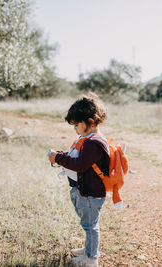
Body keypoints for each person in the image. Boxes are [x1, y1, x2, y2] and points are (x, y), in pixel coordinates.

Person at [48, 93, 109, 267]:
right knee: (88, 225)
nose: (74, 128)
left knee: (90, 226)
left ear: (89, 122)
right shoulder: (87, 140)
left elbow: (80, 164)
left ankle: (91, 259)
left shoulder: (94, 143)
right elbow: (76, 157)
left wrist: (58, 159)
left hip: (90, 193)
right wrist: (59, 155)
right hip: (84, 191)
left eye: (76, 124)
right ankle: (89, 249)